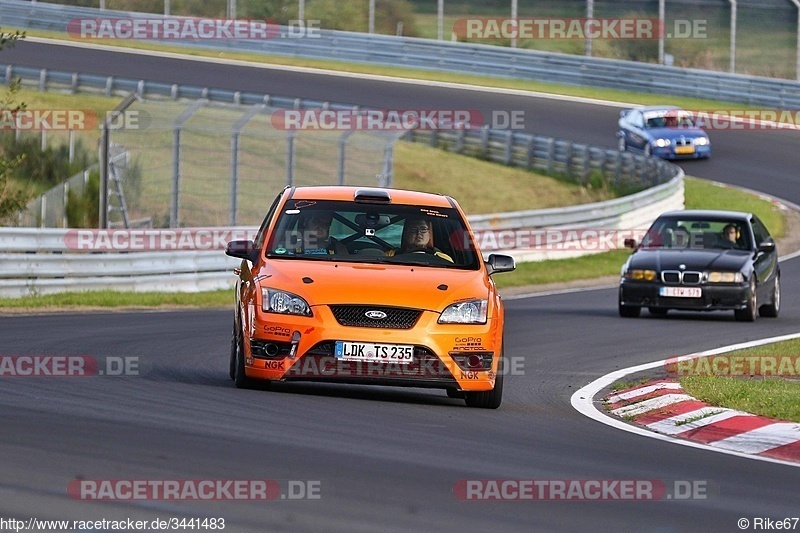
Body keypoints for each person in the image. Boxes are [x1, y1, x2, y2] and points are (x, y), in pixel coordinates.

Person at [388, 217, 453, 262]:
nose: (418, 233)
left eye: (423, 229)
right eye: (413, 229)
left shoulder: (443, 258)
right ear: (405, 234)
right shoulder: (391, 255)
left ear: (430, 235)